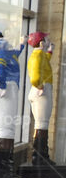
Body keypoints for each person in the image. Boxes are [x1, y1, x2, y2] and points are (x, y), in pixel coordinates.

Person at [0, 24, 25, 178]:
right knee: (6, 130)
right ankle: (1, 171)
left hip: (8, 87)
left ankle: (5, 169)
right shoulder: (2, 45)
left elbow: (14, 55)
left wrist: (22, 44)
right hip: (6, 88)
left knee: (7, 129)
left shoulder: (7, 46)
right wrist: (0, 84)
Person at [27, 31, 54, 166]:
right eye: (46, 39)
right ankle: (39, 156)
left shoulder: (40, 55)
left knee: (42, 123)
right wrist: (40, 86)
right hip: (41, 92)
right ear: (41, 42)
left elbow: (45, 62)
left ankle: (41, 155)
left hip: (40, 90)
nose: (48, 40)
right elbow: (35, 75)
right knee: (41, 125)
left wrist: (50, 52)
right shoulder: (37, 56)